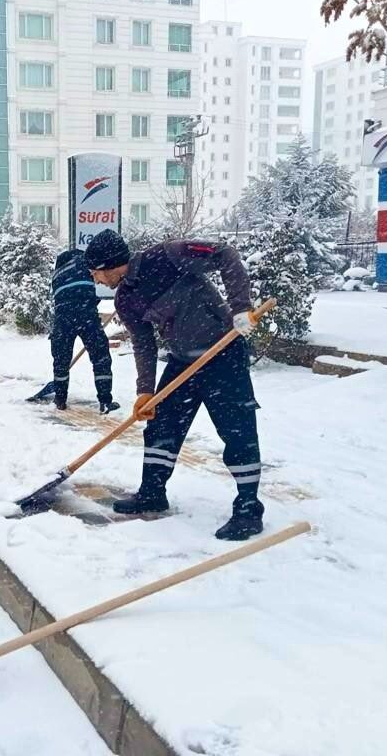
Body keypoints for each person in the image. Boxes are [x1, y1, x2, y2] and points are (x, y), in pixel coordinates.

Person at [84, 229, 264, 541]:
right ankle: (152, 493)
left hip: (222, 350)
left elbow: (225, 253)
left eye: (96, 273)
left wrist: (239, 308)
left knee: (237, 429)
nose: (96, 280)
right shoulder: (125, 298)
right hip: (183, 360)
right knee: (161, 425)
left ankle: (249, 509)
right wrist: (145, 391)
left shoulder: (167, 255)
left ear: (109, 264)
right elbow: (143, 345)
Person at [40, 248, 119, 413]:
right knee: (100, 357)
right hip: (86, 315)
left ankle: (60, 399)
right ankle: (105, 401)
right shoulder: (86, 263)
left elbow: (62, 299)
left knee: (61, 360)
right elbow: (88, 290)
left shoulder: (57, 275)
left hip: (63, 319)